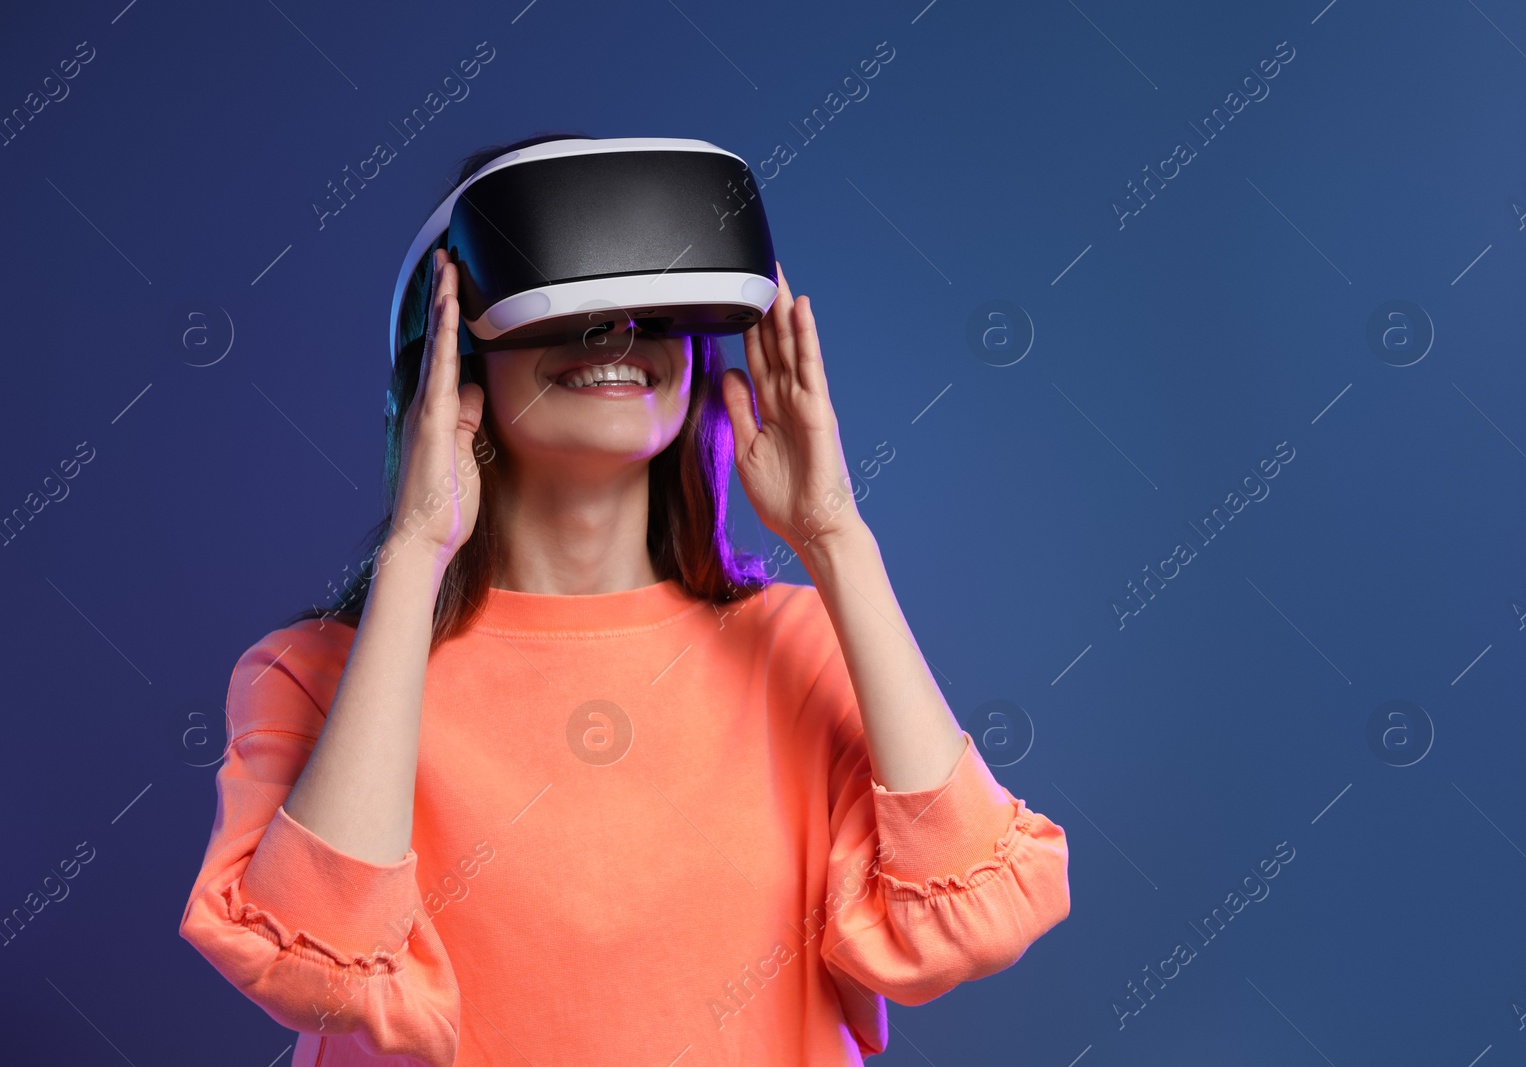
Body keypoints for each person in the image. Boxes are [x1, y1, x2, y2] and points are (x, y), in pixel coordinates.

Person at [178, 133, 1071, 1066]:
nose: (615, 336)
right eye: (567, 306)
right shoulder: (313, 674)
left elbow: (973, 914)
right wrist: (415, 551)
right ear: (452, 350)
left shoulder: (797, 645)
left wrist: (837, 536)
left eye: (655, 308)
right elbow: (317, 971)